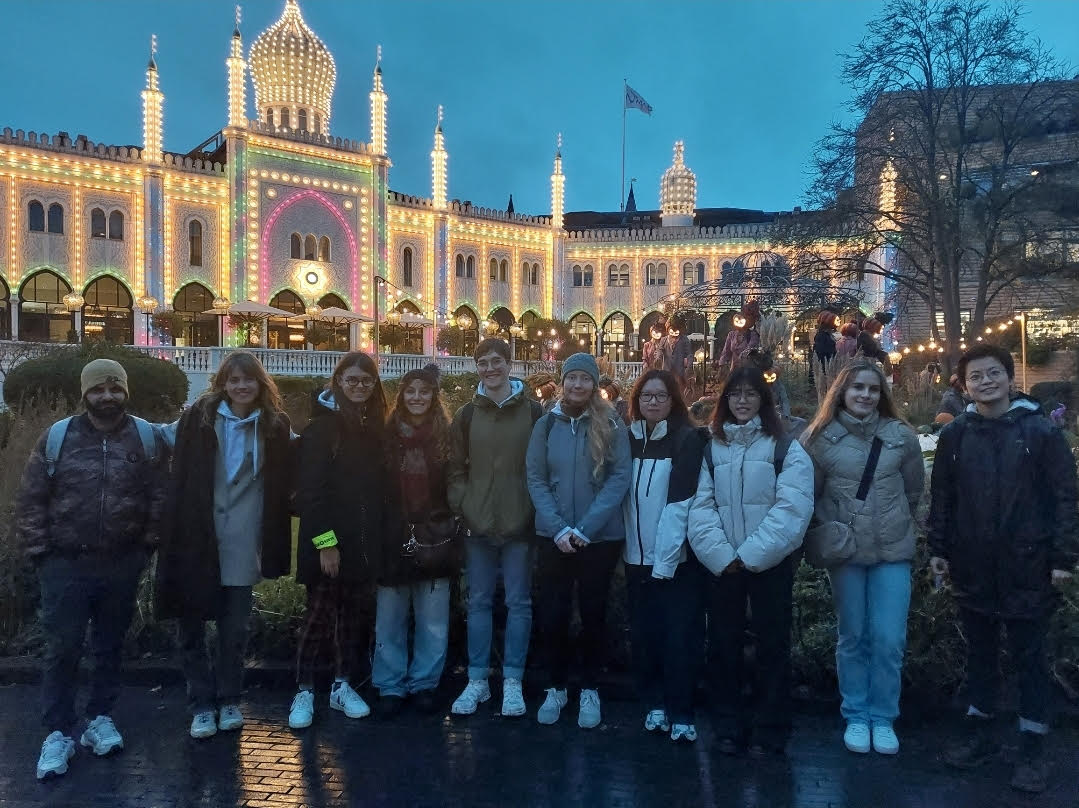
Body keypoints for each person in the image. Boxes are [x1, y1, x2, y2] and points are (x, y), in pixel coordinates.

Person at [928, 344, 1077, 794]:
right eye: (976, 376)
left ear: (1010, 379)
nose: (986, 381)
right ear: (964, 384)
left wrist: (1063, 558)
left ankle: (1034, 744)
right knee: (980, 654)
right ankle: (982, 731)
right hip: (974, 563)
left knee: (1031, 657)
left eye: (994, 373)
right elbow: (943, 499)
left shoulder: (1040, 433)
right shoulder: (956, 435)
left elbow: (1065, 499)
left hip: (1027, 563)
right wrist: (939, 547)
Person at [17, 359, 167, 780]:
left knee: (109, 646)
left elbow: (160, 495)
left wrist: (146, 547)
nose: (107, 397)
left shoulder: (145, 437)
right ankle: (59, 731)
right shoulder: (59, 437)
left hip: (121, 561)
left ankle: (100, 717)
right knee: (62, 648)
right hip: (65, 563)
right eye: (98, 390)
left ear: (125, 392)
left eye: (114, 389)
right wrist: (41, 554)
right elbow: (31, 497)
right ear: (85, 394)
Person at [155, 352, 294, 740]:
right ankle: (201, 702)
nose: (241, 387)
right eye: (233, 380)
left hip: (242, 538)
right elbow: (158, 437)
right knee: (192, 625)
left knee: (235, 628)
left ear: (260, 384)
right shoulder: (197, 421)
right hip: (196, 534)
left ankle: (229, 696)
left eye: (248, 380)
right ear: (223, 384)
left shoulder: (273, 426)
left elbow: (300, 454)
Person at [800, 359, 924, 756]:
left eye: (872, 389)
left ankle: (883, 716)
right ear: (842, 393)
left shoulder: (900, 437)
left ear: (882, 394)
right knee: (853, 635)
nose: (866, 395)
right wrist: (832, 526)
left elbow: (915, 491)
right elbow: (809, 496)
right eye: (857, 388)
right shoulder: (819, 439)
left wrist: (899, 523)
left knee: (889, 638)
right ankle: (855, 712)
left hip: (892, 549)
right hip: (847, 551)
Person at [688, 367, 814, 757]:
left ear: (764, 400)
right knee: (723, 645)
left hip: (768, 563)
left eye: (750, 394)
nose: (742, 402)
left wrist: (752, 555)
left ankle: (770, 727)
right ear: (725, 401)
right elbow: (699, 505)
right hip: (723, 564)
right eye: (735, 395)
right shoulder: (711, 447)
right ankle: (727, 724)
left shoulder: (785, 447)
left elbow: (793, 507)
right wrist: (723, 556)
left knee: (772, 645)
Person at [527, 353, 631, 729]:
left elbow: (619, 478)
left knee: (593, 614)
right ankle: (556, 686)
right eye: (571, 379)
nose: (577, 386)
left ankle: (590, 687)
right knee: (553, 614)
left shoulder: (611, 423)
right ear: (562, 381)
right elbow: (536, 478)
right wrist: (557, 528)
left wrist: (586, 528)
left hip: (598, 538)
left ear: (594, 384)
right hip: (553, 537)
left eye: (584, 379)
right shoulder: (546, 424)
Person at [288, 352, 392, 729]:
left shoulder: (374, 427)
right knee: (318, 618)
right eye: (352, 380)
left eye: (366, 380)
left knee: (351, 619)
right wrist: (325, 543)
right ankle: (303, 690)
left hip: (363, 542)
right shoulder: (323, 429)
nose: (359, 387)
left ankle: (341, 684)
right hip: (329, 543)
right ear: (339, 383)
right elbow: (312, 492)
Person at [448, 338, 544, 718]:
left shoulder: (534, 413)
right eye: (483, 363)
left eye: (496, 362)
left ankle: (513, 682)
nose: (490, 369)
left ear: (509, 363)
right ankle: (477, 680)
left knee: (519, 602)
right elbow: (455, 468)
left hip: (519, 522)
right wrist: (464, 505)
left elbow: (541, 467)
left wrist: (532, 509)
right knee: (479, 601)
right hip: (478, 524)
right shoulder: (466, 416)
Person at [622, 370, 707, 742]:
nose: (652, 402)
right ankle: (654, 703)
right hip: (635, 559)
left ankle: (682, 710)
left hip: (674, 563)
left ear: (673, 401)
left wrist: (665, 562)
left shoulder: (687, 440)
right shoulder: (627, 439)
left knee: (679, 637)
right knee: (645, 636)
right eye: (646, 396)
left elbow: (681, 503)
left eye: (660, 396)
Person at [372, 364, 457, 717]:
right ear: (402, 397)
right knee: (390, 615)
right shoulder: (386, 437)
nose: (417, 397)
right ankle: (391, 683)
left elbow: (455, 481)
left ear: (433, 397)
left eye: (424, 391)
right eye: (411, 391)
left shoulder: (446, 437)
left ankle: (424, 682)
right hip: (394, 533)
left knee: (432, 615)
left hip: (434, 534)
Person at [718, 302, 762, 372]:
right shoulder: (731, 334)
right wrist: (721, 365)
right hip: (734, 369)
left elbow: (750, 348)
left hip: (748, 369)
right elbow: (726, 352)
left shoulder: (753, 335)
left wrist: (742, 356)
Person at [659, 316, 692, 390]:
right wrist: (658, 357)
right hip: (667, 370)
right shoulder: (663, 340)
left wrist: (689, 366)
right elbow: (659, 351)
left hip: (679, 371)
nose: (673, 334)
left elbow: (689, 354)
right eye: (671, 331)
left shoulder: (684, 340)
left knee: (679, 389)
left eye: (676, 332)